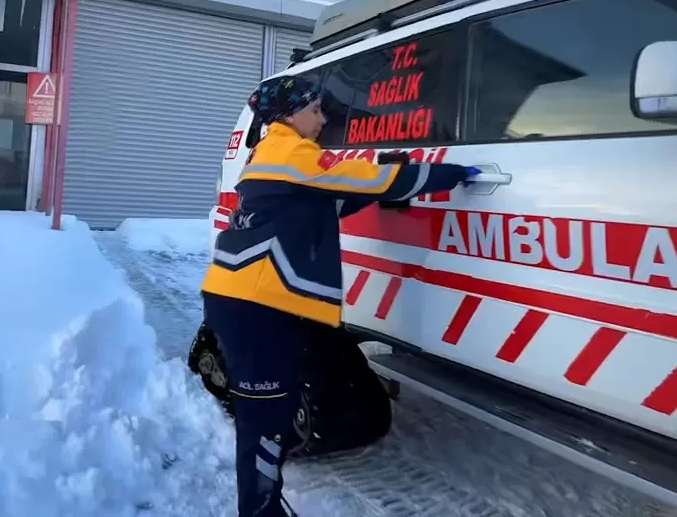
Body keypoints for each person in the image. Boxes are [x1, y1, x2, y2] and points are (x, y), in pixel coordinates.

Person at [200, 75, 477, 516]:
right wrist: (447, 174)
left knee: (276, 409)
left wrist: (374, 186)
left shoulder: (277, 156)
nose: (324, 118)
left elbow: (334, 198)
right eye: (315, 109)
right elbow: (369, 179)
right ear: (290, 115)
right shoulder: (290, 152)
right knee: (265, 422)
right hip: (255, 307)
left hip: (256, 302)